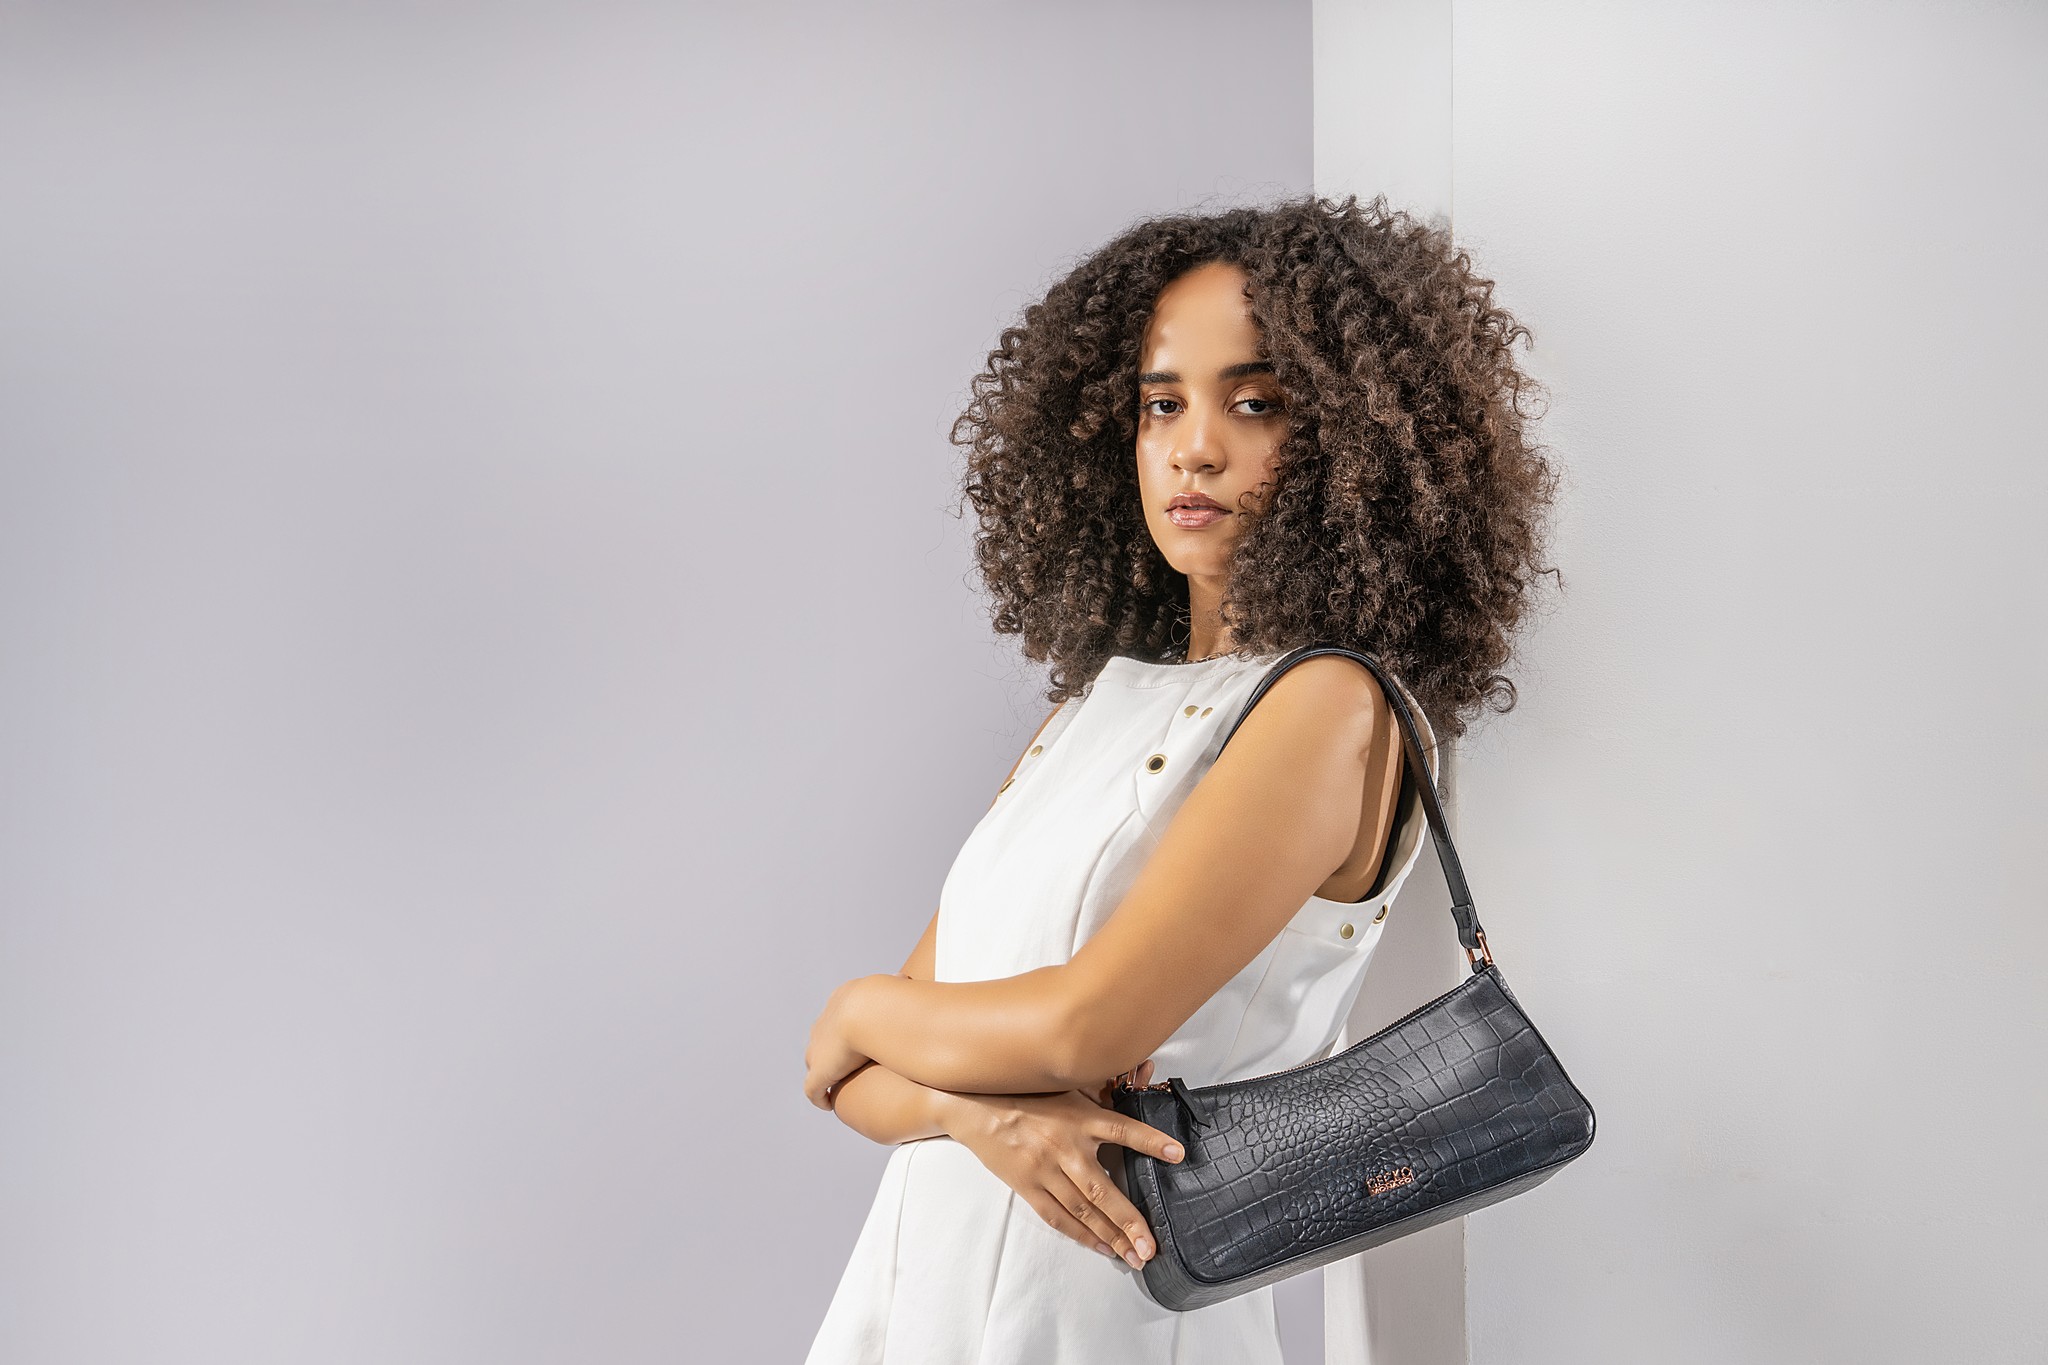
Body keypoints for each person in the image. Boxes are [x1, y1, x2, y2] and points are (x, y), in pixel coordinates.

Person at [800, 193, 1556, 1363]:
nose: (1192, 446)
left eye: (1254, 404)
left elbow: (1077, 1024)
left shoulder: (1326, 707)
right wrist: (968, 1109)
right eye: (1162, 405)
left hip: (1110, 1316)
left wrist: (858, 1007)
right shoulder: (1087, 712)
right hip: (911, 1304)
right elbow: (852, 1089)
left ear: (1355, 440)